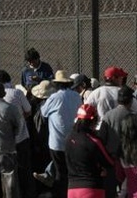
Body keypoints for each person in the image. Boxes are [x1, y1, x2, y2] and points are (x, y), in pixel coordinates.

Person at [41, 70, 82, 198]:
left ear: (56, 84)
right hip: (74, 141)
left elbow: (43, 113)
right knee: (72, 171)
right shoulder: (77, 96)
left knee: (60, 172)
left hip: (57, 142)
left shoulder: (54, 97)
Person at [65, 104, 114, 198]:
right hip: (92, 188)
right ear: (94, 120)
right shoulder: (94, 140)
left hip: (72, 189)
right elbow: (109, 162)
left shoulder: (69, 138)